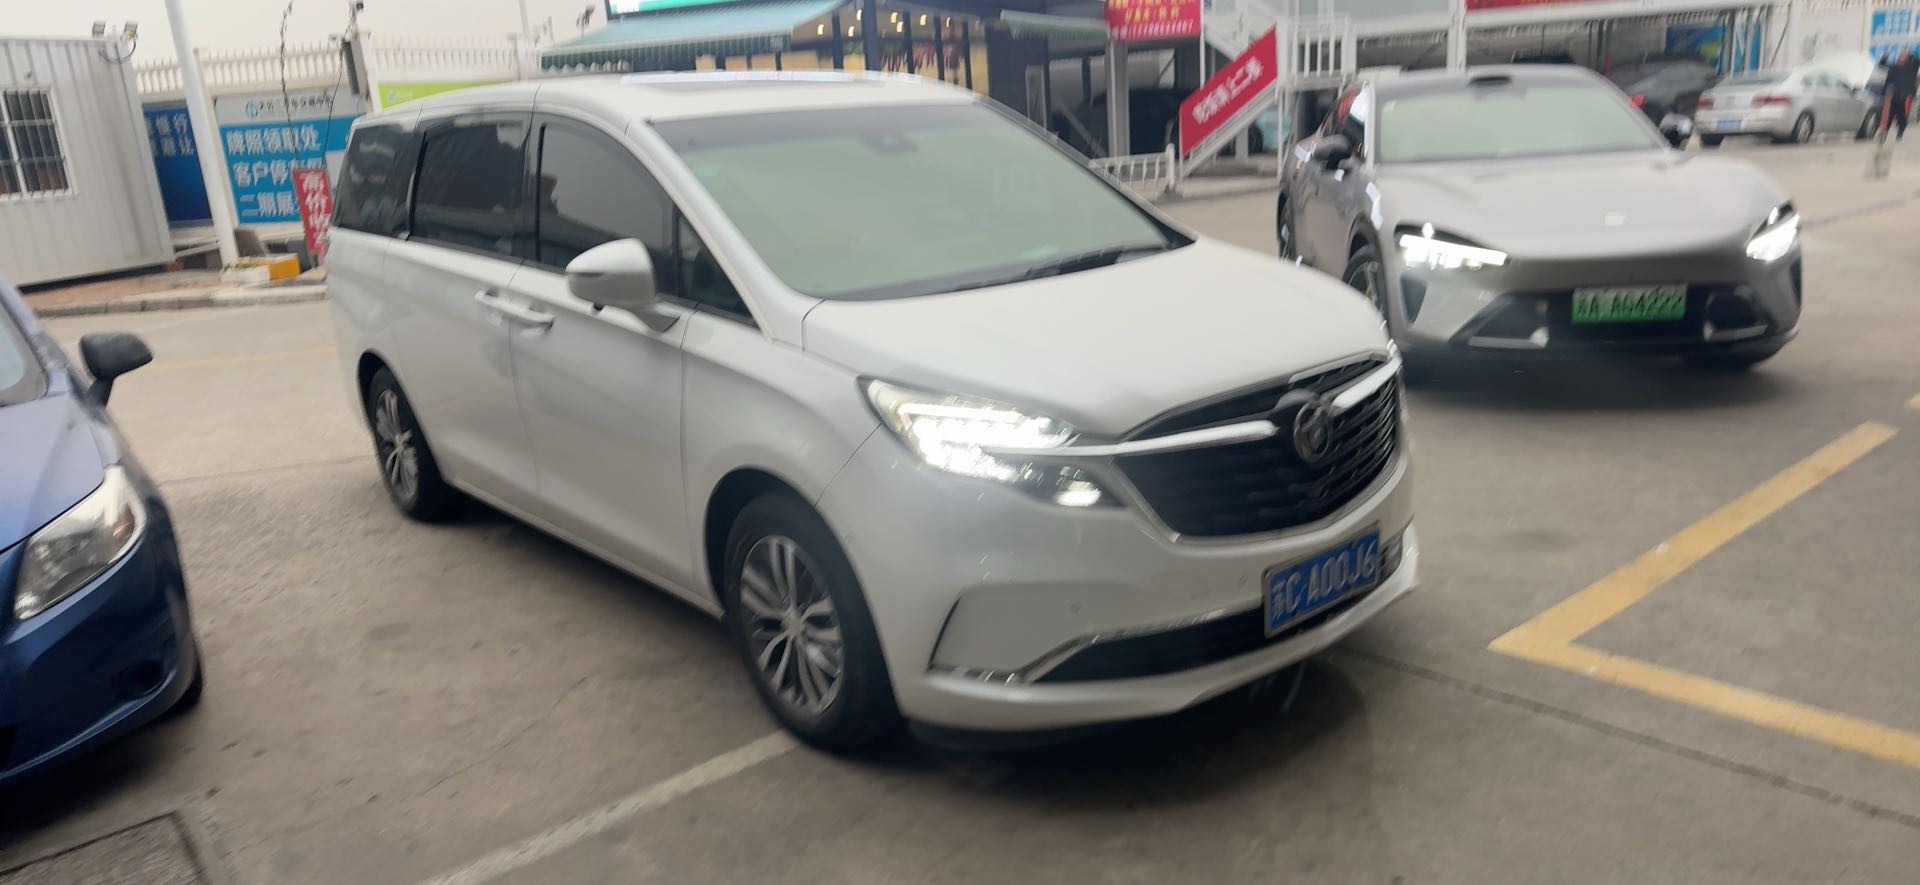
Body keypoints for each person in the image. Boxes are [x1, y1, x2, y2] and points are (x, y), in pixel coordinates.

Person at [1886, 49, 1920, 140]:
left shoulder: (1911, 68)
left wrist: (1910, 53)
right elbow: (1888, 79)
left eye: (1902, 56)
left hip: (1906, 95)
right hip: (1894, 94)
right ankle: (1885, 131)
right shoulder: (1894, 67)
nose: (1900, 57)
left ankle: (1900, 131)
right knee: (1890, 113)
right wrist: (1884, 57)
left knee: (1902, 114)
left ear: (1907, 59)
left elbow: (1917, 61)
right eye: (1899, 56)